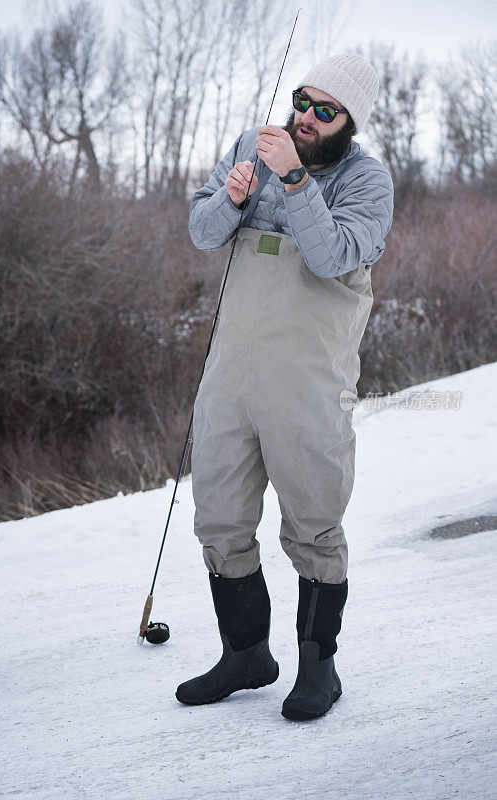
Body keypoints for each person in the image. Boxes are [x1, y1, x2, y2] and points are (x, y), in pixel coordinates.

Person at [175, 53, 394, 720]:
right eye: (302, 100)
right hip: (231, 371)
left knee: (313, 524)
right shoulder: (251, 145)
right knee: (217, 515)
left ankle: (317, 671)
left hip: (307, 381)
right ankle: (246, 655)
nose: (304, 117)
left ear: (349, 121)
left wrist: (293, 182)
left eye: (324, 110)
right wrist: (233, 196)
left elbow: (331, 259)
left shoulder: (368, 182)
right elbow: (202, 232)